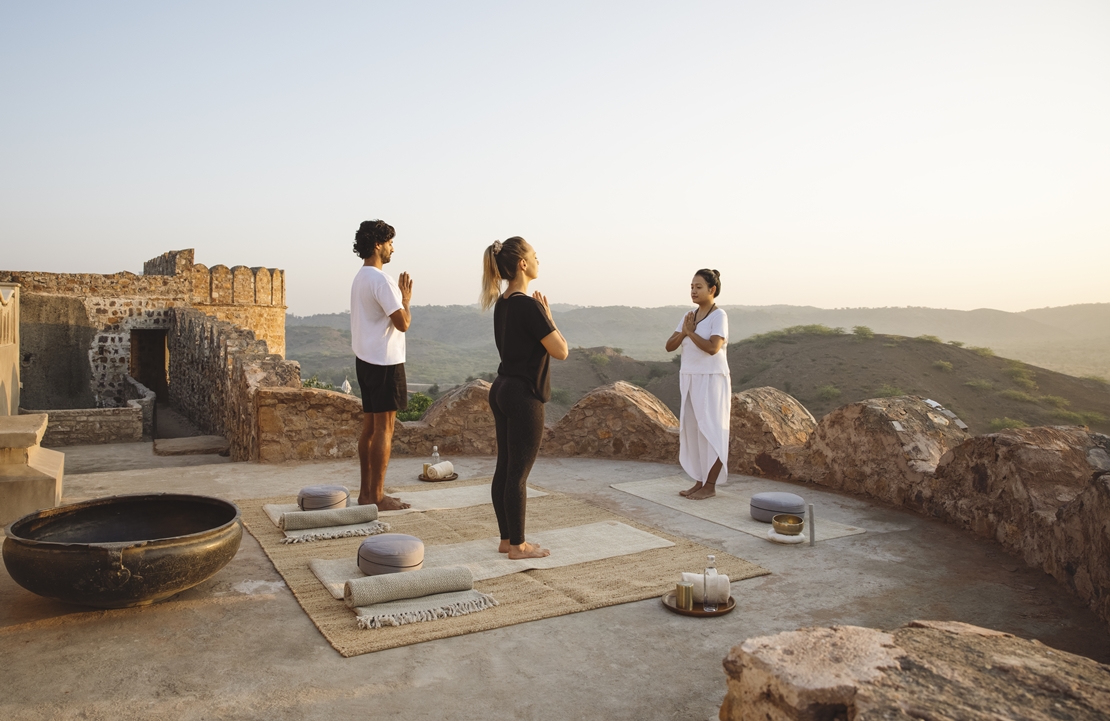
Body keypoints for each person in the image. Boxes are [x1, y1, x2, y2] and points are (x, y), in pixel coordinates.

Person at [480, 237, 569, 559]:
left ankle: (507, 539)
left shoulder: (502, 303)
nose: (538, 261)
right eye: (534, 256)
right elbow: (561, 351)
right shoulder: (529, 306)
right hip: (523, 395)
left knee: (504, 469)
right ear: (522, 263)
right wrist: (549, 317)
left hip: (501, 388)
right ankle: (518, 545)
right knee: (517, 474)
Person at [351, 219, 412, 511]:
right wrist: (406, 300)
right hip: (385, 361)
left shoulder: (360, 278)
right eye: (389, 242)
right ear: (378, 244)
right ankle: (376, 496)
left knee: (370, 429)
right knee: (385, 429)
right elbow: (402, 324)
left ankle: (365, 493)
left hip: (365, 360)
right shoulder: (380, 280)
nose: (392, 248)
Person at [665, 269, 730, 500]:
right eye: (692, 286)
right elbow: (669, 346)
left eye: (699, 286)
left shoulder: (718, 316)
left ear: (712, 290)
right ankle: (700, 481)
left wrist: (690, 334)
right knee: (694, 430)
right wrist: (684, 331)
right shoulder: (688, 316)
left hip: (712, 379)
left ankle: (710, 486)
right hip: (690, 378)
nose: (693, 291)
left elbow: (713, 348)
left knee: (711, 429)